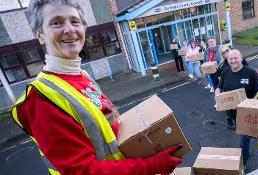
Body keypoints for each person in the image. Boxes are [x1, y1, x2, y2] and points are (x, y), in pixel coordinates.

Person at [10, 1, 182, 175]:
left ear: (83, 28)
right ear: (40, 35)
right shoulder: (40, 98)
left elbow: (106, 127)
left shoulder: (82, 75)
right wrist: (151, 165)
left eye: (75, 21)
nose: (69, 29)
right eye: (56, 22)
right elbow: (82, 171)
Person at [215, 49, 258, 167]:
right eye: (230, 59)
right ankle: (249, 140)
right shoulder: (226, 72)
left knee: (243, 141)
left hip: (247, 114)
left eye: (235, 58)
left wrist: (250, 102)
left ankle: (242, 166)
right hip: (232, 113)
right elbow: (219, 88)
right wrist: (218, 99)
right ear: (227, 60)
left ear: (241, 58)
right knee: (244, 136)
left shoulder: (251, 73)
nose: (233, 60)